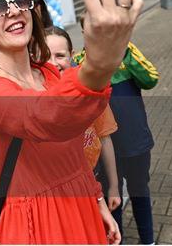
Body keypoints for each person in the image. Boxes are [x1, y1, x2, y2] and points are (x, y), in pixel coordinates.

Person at [0, 0, 143, 244]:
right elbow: (49, 117)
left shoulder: (48, 73)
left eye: (21, 0)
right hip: (37, 222)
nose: (14, 10)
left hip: (80, 203)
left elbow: (74, 148)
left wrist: (96, 200)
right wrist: (100, 62)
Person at [75, 17, 159, 245]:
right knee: (112, 197)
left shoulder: (126, 52)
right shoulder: (79, 63)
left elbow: (151, 79)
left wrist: (123, 52)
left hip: (135, 141)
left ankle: (148, 239)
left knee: (139, 189)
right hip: (101, 148)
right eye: (91, 29)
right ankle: (115, 239)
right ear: (83, 31)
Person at [45, 26, 121, 212]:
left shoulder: (88, 90)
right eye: (46, 56)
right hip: (63, 189)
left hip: (96, 175)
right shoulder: (37, 97)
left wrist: (114, 186)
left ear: (72, 54)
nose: (53, 63)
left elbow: (104, 138)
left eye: (60, 55)